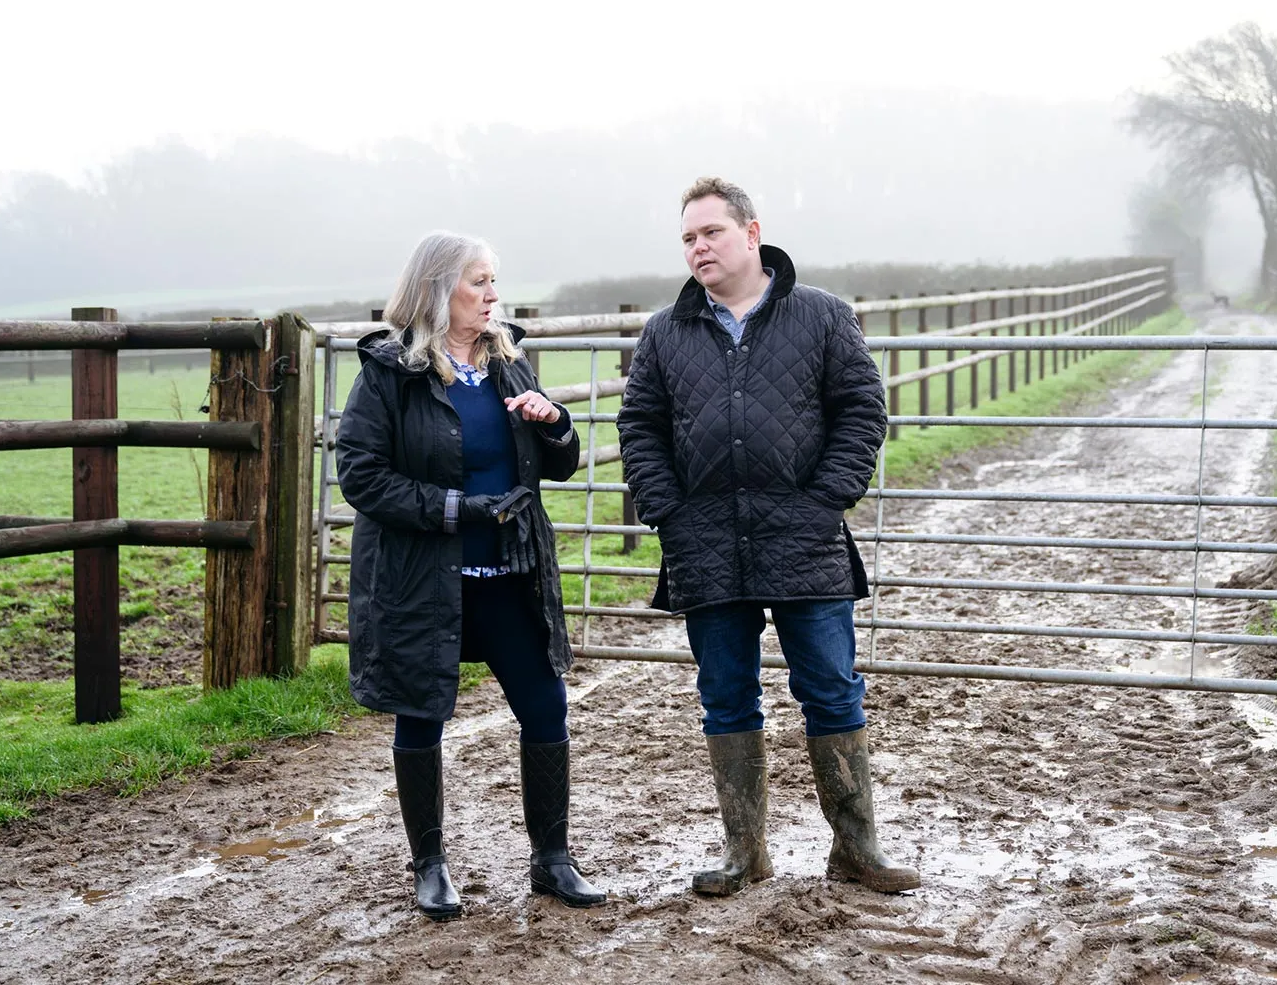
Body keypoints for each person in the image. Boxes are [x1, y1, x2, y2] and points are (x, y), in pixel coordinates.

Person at [617, 177, 920, 895]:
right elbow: (640, 428)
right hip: (706, 543)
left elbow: (861, 408)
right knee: (725, 696)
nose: (699, 248)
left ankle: (857, 849)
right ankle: (743, 851)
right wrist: (669, 511)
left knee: (832, 691)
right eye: (688, 237)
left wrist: (827, 499)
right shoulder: (665, 331)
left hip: (804, 537)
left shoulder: (820, 315)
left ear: (752, 234)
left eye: (711, 233)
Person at [337, 231, 606, 918]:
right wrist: (457, 509)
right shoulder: (392, 373)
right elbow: (362, 478)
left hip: (510, 570)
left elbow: (559, 461)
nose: (493, 295)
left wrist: (555, 424)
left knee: (544, 707)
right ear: (437, 289)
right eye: (478, 282)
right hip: (425, 578)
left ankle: (552, 860)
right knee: (422, 715)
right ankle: (429, 867)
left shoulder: (509, 360)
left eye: (495, 282)